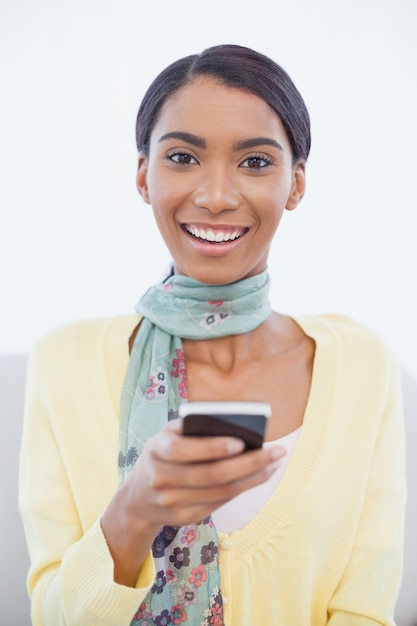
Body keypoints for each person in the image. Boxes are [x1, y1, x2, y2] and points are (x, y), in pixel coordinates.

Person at [19, 44, 406, 626]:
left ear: (296, 184)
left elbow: (365, 611)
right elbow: (51, 617)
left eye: (254, 162)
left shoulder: (361, 367)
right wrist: (132, 512)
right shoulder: (64, 362)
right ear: (144, 175)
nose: (217, 196)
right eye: (182, 157)